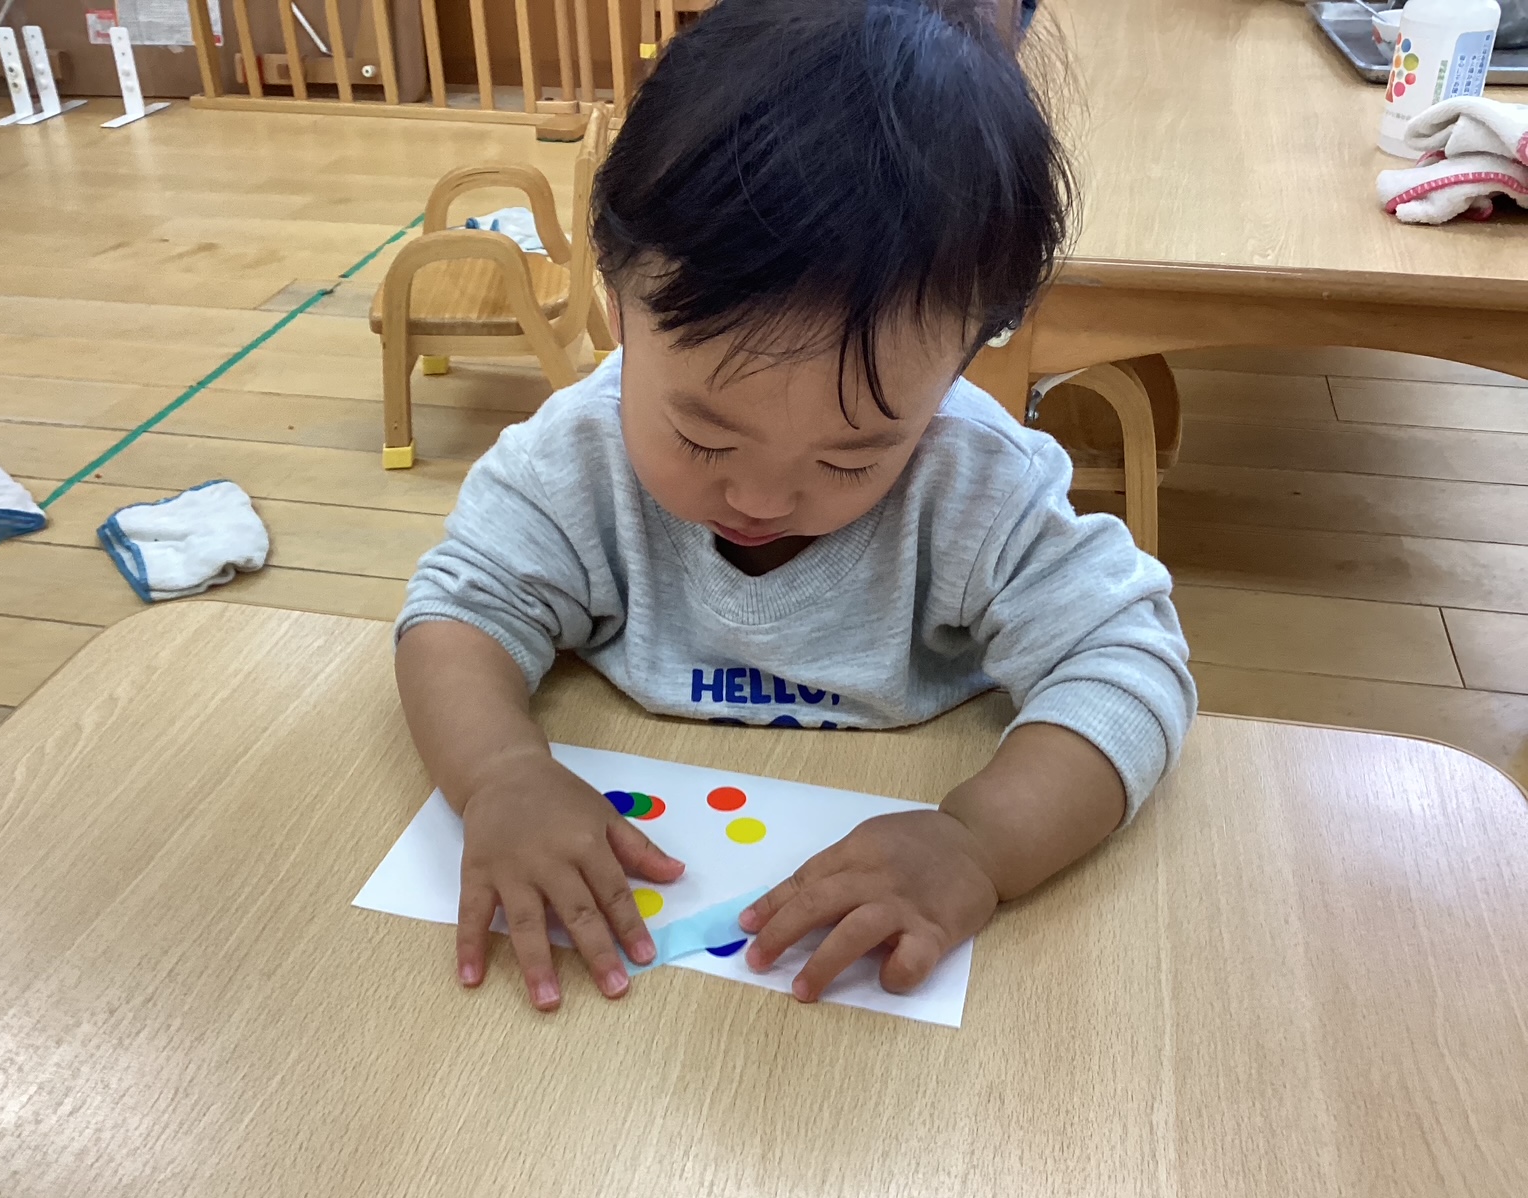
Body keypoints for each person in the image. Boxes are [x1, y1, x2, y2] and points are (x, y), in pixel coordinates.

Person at [395, 0, 1196, 1012]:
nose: (762, 497)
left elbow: (1128, 664)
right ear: (618, 306)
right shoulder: (577, 459)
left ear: (960, 363)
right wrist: (502, 772)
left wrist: (980, 840)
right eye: (704, 439)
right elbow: (459, 612)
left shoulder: (975, 484)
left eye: (853, 456)